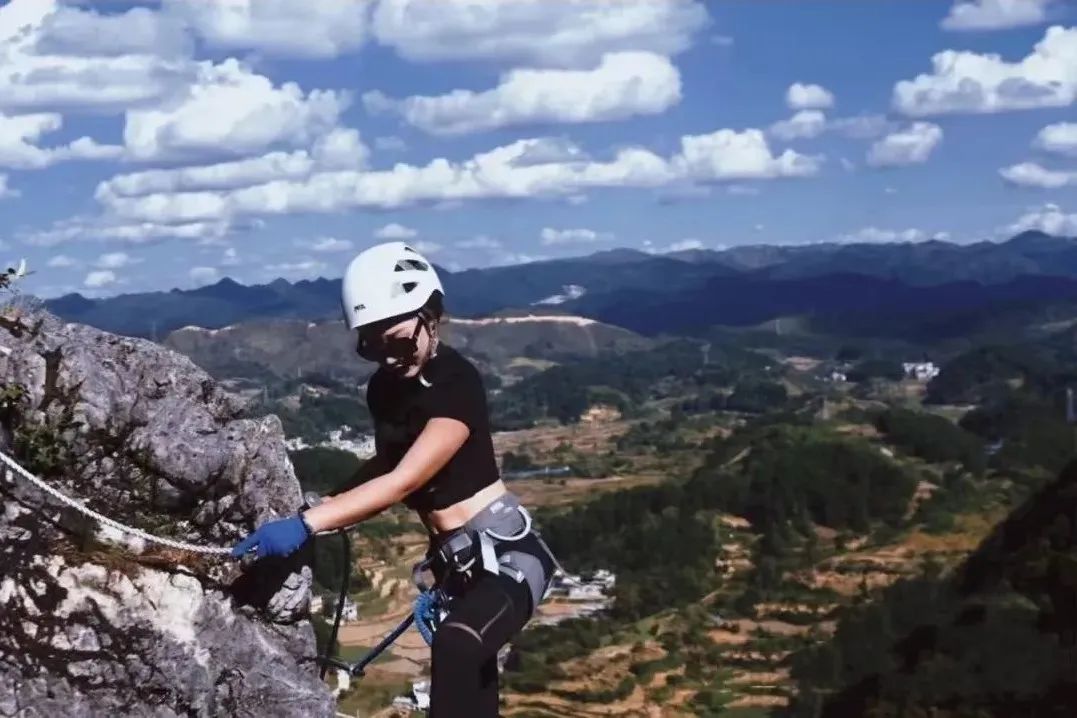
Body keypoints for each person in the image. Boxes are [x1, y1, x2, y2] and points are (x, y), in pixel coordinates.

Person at [232, 241, 559, 717]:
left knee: (460, 645)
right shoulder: (385, 388)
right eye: (371, 345)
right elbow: (385, 464)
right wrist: (324, 506)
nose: (387, 357)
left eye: (399, 341)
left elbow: (406, 479)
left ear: (431, 316)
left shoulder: (455, 381)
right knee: (472, 675)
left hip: (506, 554)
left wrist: (309, 524)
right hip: (457, 566)